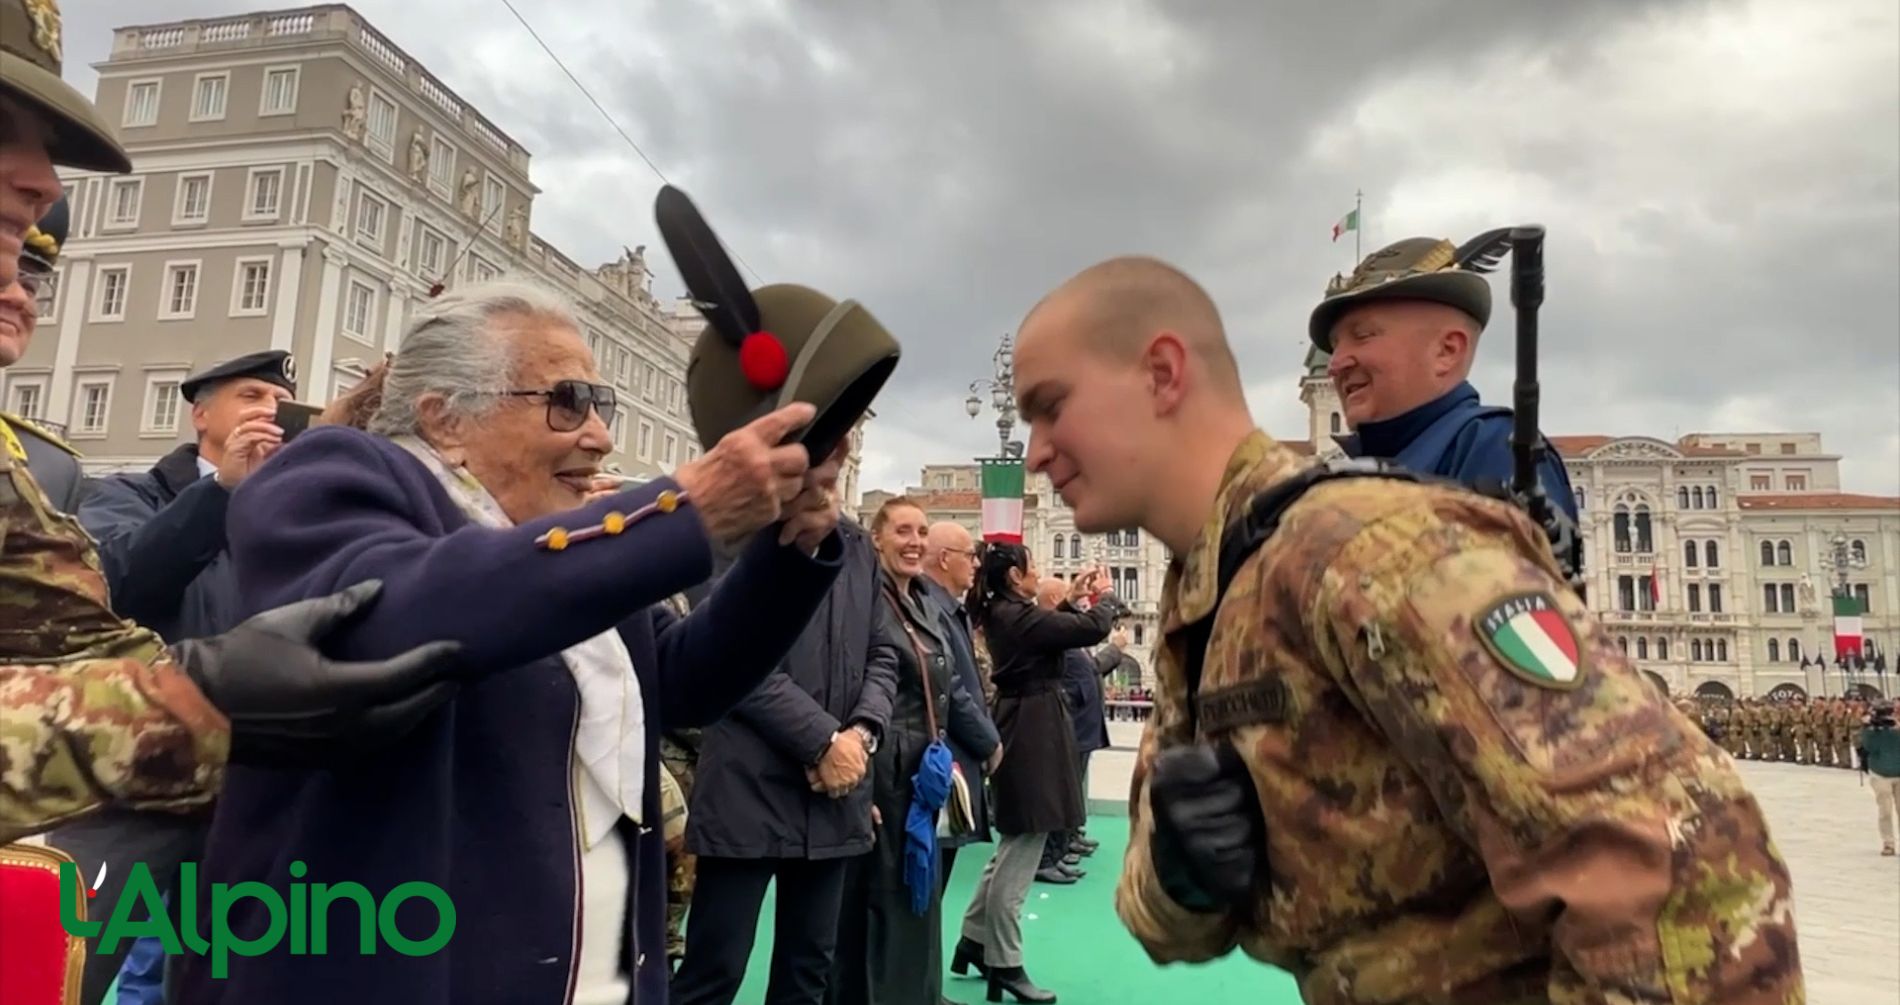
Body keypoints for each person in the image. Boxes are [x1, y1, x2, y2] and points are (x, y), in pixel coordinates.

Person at [1011, 254, 1803, 1004]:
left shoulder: (1369, 550)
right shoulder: (1216, 580)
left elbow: (1685, 851)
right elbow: (1171, 917)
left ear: (1161, 374)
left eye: (1052, 406)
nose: (1037, 452)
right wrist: (1184, 877)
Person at [173, 278, 845, 1005]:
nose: (600, 435)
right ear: (446, 419)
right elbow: (387, 619)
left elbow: (685, 679)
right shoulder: (331, 470)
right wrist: (679, 511)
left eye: (600, 405)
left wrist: (790, 547)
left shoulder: (563, 541)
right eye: (567, 401)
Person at [0, 5, 464, 844]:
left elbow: (81, 643)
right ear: (199, 411)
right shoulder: (121, 489)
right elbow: (132, 585)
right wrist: (200, 701)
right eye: (2, 128)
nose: (47, 185)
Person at [57, 349, 296, 1003]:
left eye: (281, 402)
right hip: (131, 784)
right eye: (251, 397)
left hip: (240, 787)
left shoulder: (284, 520)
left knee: (220, 976)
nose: (269, 411)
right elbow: (117, 581)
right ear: (201, 413)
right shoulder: (127, 493)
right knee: (71, 964)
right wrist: (218, 494)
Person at [670, 508, 901, 1005]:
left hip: (835, 797)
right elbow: (726, 652)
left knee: (808, 970)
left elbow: (883, 651)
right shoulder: (734, 529)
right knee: (715, 969)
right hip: (746, 789)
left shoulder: (857, 545)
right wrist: (823, 741)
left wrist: (861, 733)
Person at [1311, 232, 1578, 520]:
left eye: (1362, 336)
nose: (1335, 364)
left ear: (1447, 351)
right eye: (1336, 345)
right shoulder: (1357, 469)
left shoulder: (1493, 449)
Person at [954, 552, 1117, 1003]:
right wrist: (1103, 597)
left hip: (1027, 722)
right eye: (1033, 571)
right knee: (1028, 838)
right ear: (1014, 576)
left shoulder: (1008, 615)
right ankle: (1003, 960)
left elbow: (1044, 635)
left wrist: (1072, 600)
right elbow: (1091, 629)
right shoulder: (1016, 616)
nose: (1041, 577)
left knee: (1018, 839)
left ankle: (973, 937)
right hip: (1034, 729)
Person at [828, 497, 971, 1005]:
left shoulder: (923, 603)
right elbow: (854, 693)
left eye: (921, 531)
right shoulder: (869, 602)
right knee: (879, 905)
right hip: (880, 773)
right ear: (878, 540)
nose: (914, 541)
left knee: (914, 901)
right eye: (903, 531)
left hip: (917, 777)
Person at [919, 519, 1002, 895]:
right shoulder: (932, 610)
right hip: (941, 766)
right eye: (970, 555)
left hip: (951, 762)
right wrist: (988, 740)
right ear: (944, 559)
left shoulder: (949, 609)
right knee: (926, 885)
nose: (977, 564)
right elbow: (949, 686)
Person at [1856, 699, 1899, 856]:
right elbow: (1868, 747)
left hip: (1898, 771)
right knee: (1885, 810)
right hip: (1880, 773)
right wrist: (1868, 728)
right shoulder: (1871, 730)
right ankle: (1888, 843)